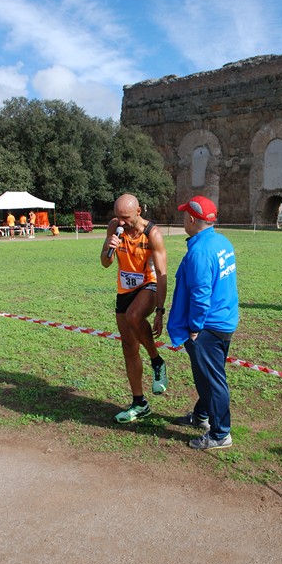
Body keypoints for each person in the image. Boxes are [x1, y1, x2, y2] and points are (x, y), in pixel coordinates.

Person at [167, 195, 239, 450]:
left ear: (192, 219)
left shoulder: (200, 251)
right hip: (224, 320)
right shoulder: (222, 241)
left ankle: (220, 434)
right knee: (206, 374)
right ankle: (202, 415)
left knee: (212, 379)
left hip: (208, 326)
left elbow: (200, 295)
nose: (183, 218)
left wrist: (195, 328)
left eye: (186, 214)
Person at [101, 193, 168, 423]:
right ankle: (139, 402)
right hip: (124, 291)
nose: (121, 222)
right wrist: (109, 247)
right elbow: (105, 262)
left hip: (148, 285)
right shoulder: (114, 227)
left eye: (126, 218)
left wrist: (160, 310)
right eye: (118, 217)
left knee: (134, 315)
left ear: (138, 212)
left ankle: (157, 361)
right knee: (129, 347)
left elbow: (161, 274)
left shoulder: (153, 234)